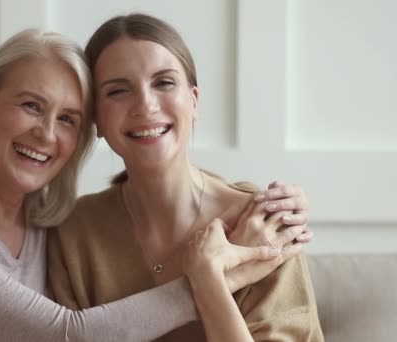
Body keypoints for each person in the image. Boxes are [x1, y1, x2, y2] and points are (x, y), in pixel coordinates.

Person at [0, 28, 297, 342]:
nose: (45, 133)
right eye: (30, 106)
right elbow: (67, 335)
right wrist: (214, 276)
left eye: (67, 119)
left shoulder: (51, 226)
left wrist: (264, 200)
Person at [47, 13, 323, 341]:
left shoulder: (263, 223)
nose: (145, 105)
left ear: (194, 102)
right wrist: (205, 280)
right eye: (118, 91)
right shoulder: (73, 232)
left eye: (164, 82)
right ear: (98, 121)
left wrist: (208, 280)